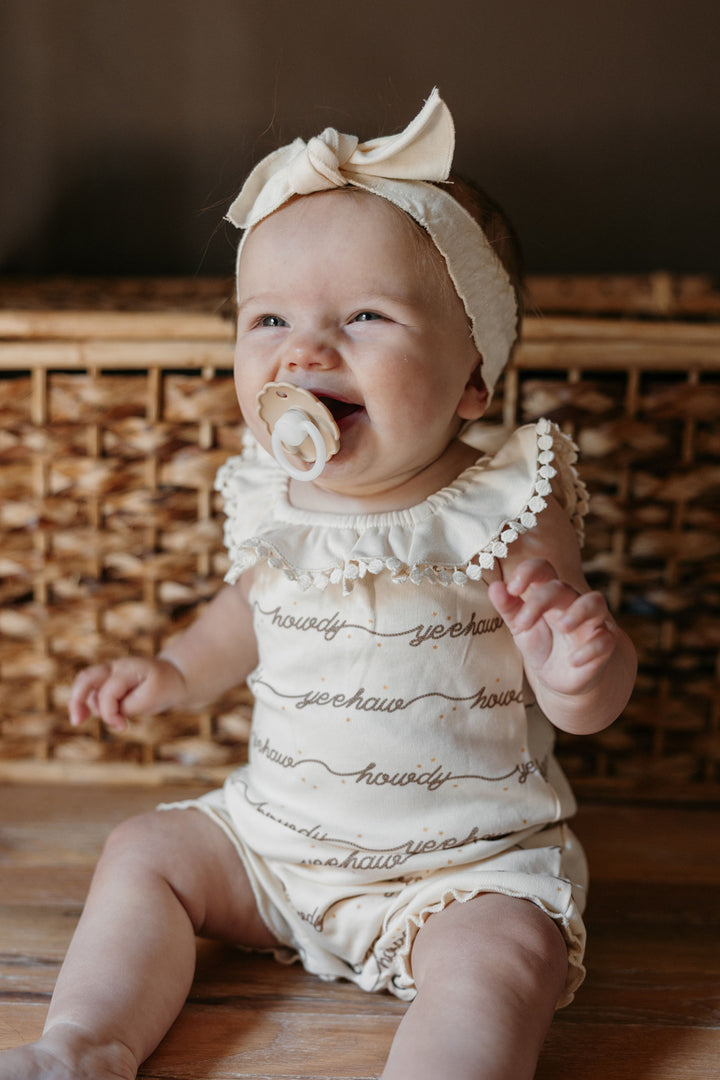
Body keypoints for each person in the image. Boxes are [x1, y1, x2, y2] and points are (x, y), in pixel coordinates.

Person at [1, 90, 636, 1080]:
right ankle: (85, 1045)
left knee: (509, 955)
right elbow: (245, 614)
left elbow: (580, 697)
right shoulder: (269, 493)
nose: (304, 351)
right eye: (269, 319)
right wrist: (169, 672)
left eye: (366, 316)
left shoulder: (502, 498)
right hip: (274, 843)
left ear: (474, 377)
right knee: (144, 850)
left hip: (457, 868)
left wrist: (580, 669)